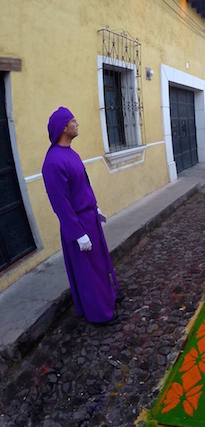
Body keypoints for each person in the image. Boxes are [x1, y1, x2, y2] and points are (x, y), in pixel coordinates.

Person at [41, 107, 122, 326]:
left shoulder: (71, 153)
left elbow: (82, 185)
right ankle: (99, 314)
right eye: (73, 121)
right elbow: (61, 203)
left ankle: (108, 300)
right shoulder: (53, 162)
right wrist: (78, 233)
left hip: (89, 218)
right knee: (89, 273)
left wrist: (94, 208)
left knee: (99, 265)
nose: (77, 124)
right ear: (63, 127)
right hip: (78, 225)